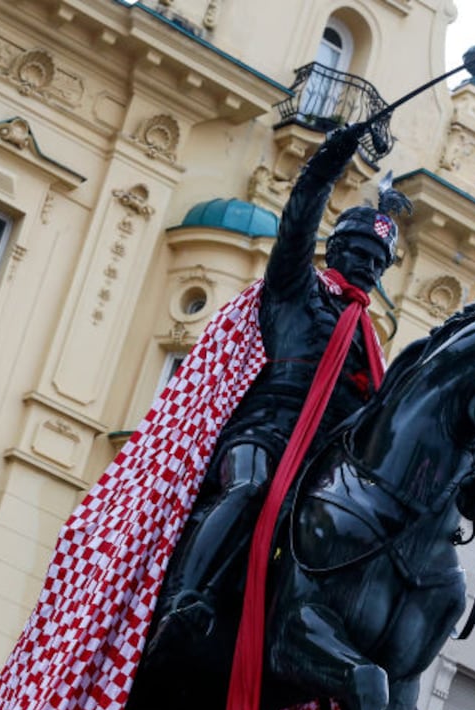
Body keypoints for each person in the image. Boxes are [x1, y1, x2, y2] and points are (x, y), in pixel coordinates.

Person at [153, 121, 409, 638]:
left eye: (377, 262)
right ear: (334, 251)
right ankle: (186, 597)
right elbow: (297, 221)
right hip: (263, 436)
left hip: (320, 465)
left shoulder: (369, 341)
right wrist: (328, 164)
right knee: (249, 489)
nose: (367, 268)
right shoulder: (297, 292)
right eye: (359, 254)